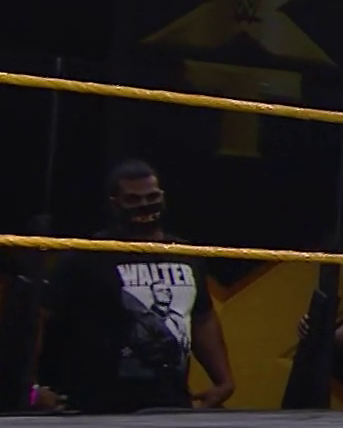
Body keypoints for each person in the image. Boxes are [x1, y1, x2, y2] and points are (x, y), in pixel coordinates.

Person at [36, 160, 235, 413]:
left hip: (171, 403)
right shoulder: (87, 255)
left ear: (163, 197)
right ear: (114, 203)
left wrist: (224, 381)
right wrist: (32, 388)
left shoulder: (186, 254)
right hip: (97, 408)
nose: (144, 205)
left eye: (152, 197)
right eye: (133, 199)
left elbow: (202, 318)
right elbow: (39, 319)